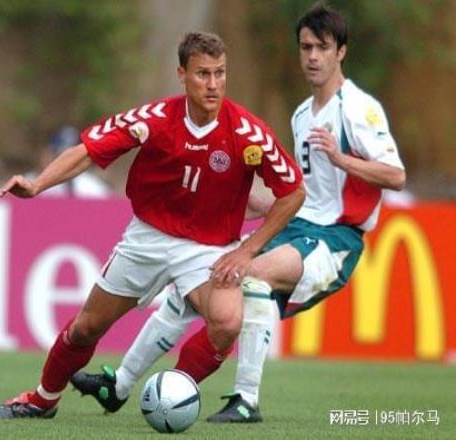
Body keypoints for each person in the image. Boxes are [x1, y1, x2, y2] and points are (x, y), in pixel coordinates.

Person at [70, 3, 406, 424]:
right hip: (299, 228)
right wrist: (246, 204)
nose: (313, 57)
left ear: (341, 52)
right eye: (306, 47)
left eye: (323, 48)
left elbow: (395, 175)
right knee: (199, 283)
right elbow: (304, 193)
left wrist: (342, 159)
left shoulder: (358, 109)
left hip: (335, 238)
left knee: (246, 275)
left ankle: (244, 399)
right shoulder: (303, 114)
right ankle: (119, 386)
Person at [0, 31, 305, 420]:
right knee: (86, 328)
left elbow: (293, 192)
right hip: (148, 238)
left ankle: (171, 394)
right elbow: (88, 152)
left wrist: (246, 251)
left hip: (209, 248)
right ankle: (42, 399)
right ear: (182, 74)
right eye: (203, 73)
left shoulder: (248, 133)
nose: (213, 84)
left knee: (226, 323)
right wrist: (37, 185)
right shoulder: (154, 120)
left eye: (220, 73)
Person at [27, 126, 112, 198]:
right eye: (58, 155)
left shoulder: (91, 187)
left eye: (71, 156)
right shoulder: (31, 182)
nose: (66, 162)